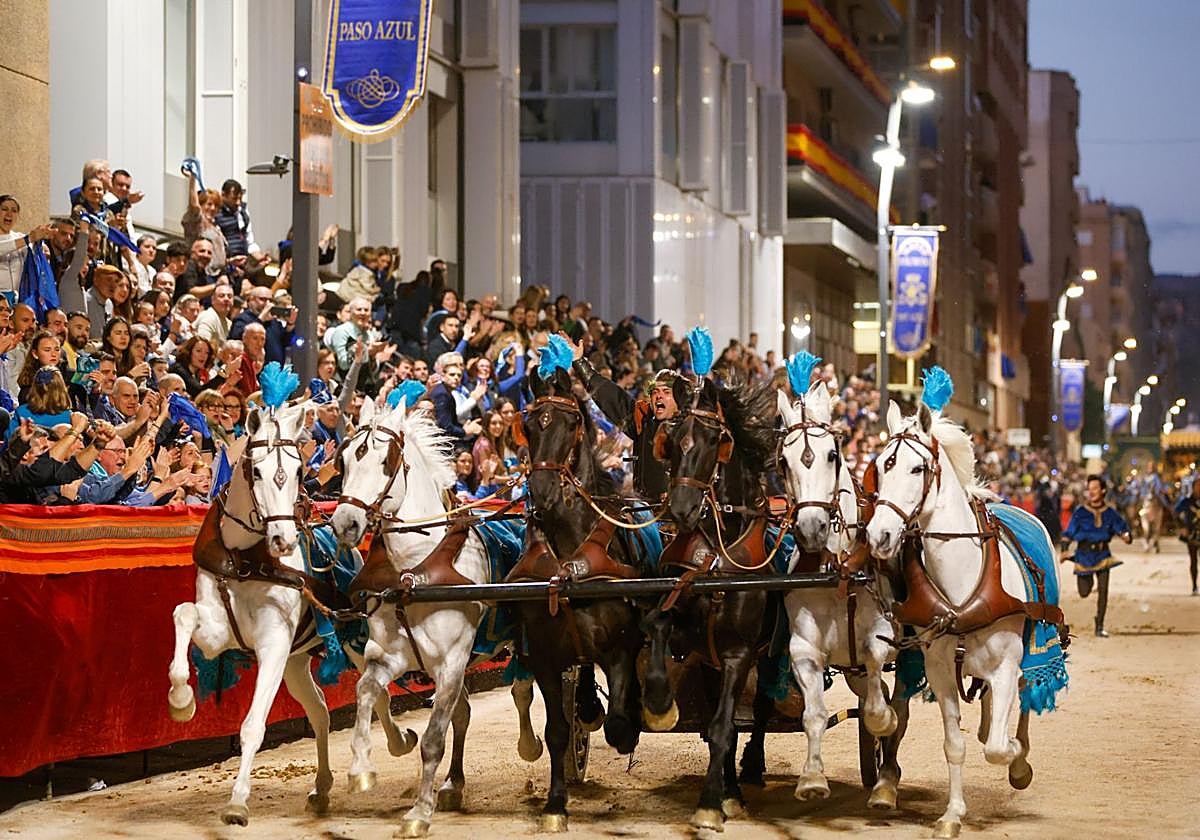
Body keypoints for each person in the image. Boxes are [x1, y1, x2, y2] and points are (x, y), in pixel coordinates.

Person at [565, 332, 678, 500]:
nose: (659, 396)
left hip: (682, 514)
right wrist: (579, 363)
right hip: (644, 510)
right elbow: (609, 395)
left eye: (666, 392)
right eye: (655, 392)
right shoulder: (641, 418)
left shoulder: (691, 427)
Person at [1061, 474, 1132, 637]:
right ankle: (1075, 560)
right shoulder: (1080, 512)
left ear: (1103, 490)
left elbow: (1123, 529)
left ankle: (1099, 625)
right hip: (1083, 555)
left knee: (1103, 589)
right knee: (1084, 592)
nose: (1091, 492)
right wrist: (1065, 549)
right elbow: (1069, 532)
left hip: (1103, 555)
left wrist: (1126, 536)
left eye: (1095, 488)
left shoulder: (1110, 513)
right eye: (1089, 488)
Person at [1173, 477, 1200, 595]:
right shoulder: (1186, 501)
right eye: (1198, 486)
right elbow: (1175, 512)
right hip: (1192, 534)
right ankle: (1194, 586)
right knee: (1193, 561)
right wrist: (1182, 526)